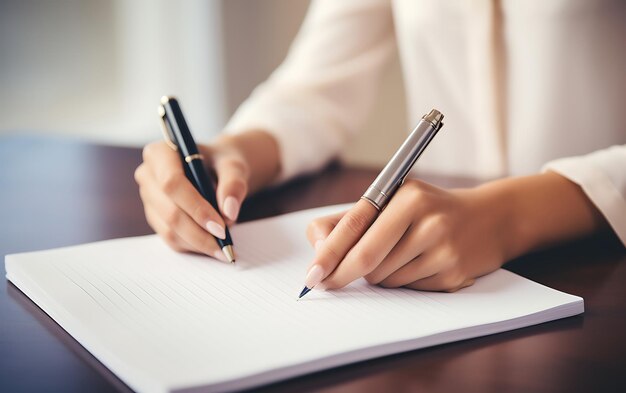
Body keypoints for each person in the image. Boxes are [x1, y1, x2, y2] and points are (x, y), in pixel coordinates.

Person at [135, 1, 626, 293]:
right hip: (434, 265)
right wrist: (232, 155)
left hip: (600, 264)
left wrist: (511, 216)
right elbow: (316, 87)